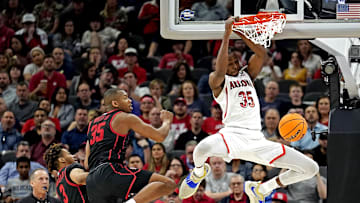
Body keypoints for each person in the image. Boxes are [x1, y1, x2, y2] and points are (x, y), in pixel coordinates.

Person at [179, 17, 319, 202]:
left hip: (257, 140)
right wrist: (227, 35)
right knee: (201, 148)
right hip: (232, 137)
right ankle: (198, 173)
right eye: (230, 63)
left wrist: (242, 32)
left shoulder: (247, 75)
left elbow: (261, 54)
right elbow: (220, 70)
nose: (235, 65)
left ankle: (263, 189)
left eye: (236, 61)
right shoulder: (218, 81)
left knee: (311, 168)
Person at [85, 88, 177, 203]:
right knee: (168, 184)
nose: (130, 101)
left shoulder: (92, 124)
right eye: (125, 98)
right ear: (115, 103)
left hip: (91, 181)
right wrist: (167, 121)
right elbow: (159, 136)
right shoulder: (123, 117)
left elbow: (86, 162)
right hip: (111, 171)